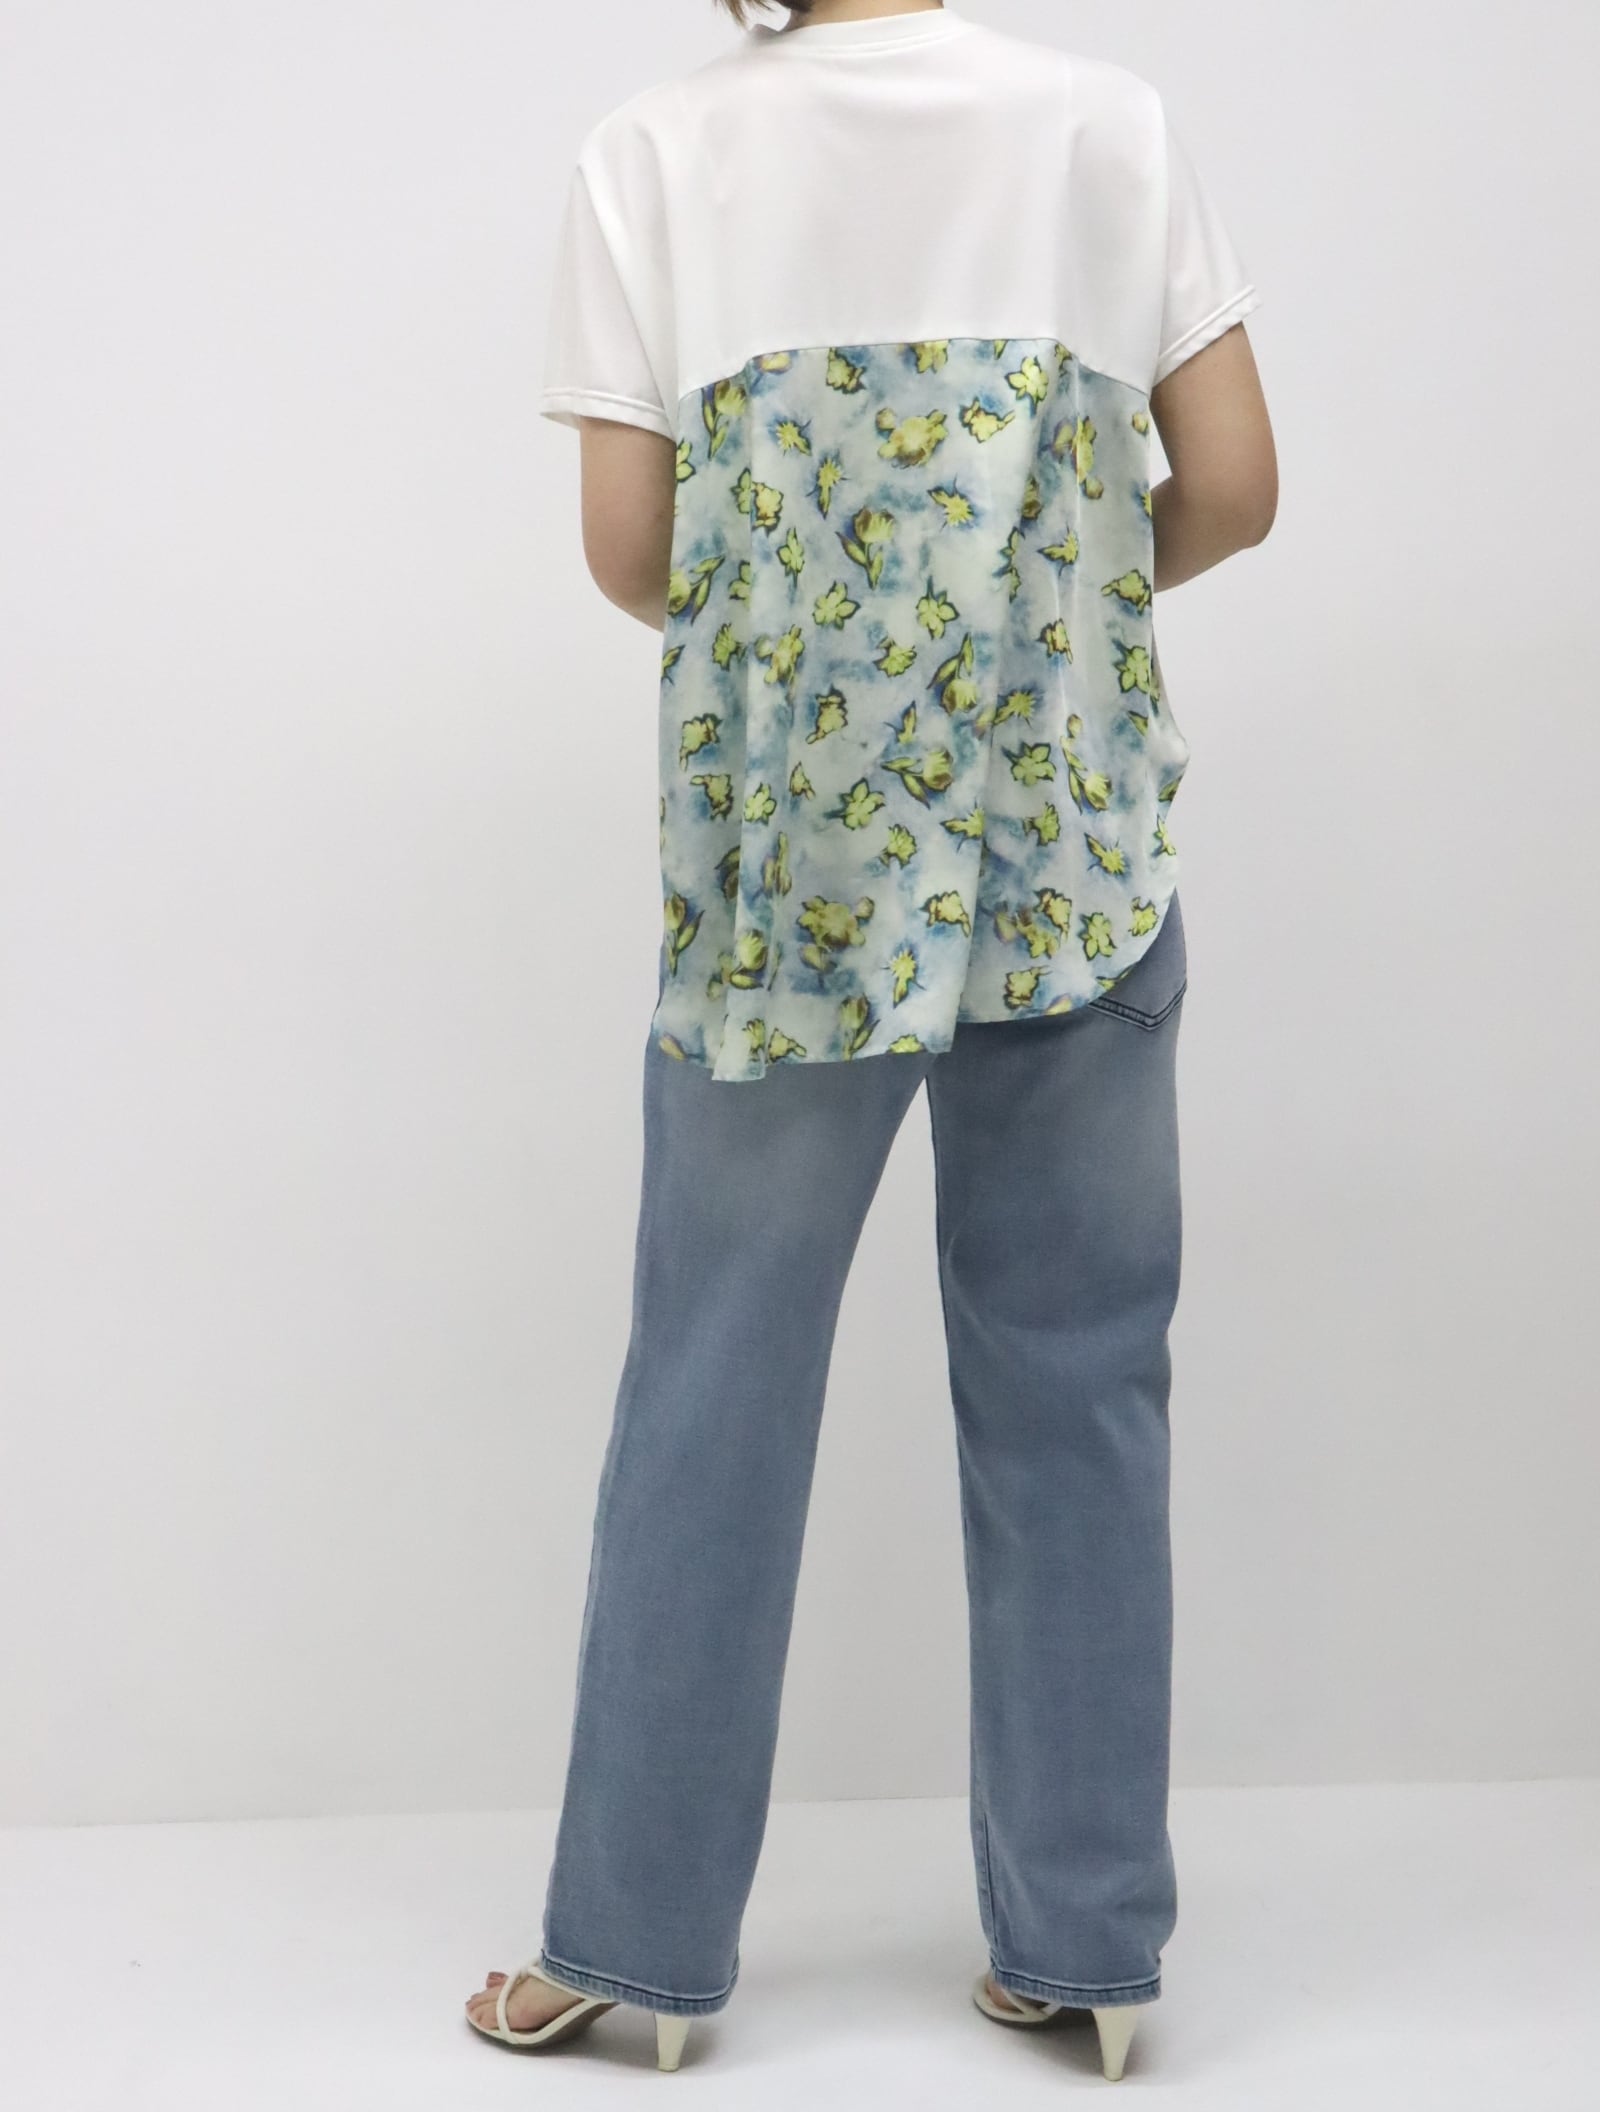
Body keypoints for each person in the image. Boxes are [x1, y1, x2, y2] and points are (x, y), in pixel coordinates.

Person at [465, 0, 1276, 2079]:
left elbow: (630, 553)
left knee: (711, 1385)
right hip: (1068, 847)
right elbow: (1237, 487)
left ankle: (634, 1951)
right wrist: (1051, 603)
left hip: (789, 886)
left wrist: (834, 624)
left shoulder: (654, 154)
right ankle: (1087, 1952)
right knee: (1078, 1384)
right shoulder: (1103, 125)